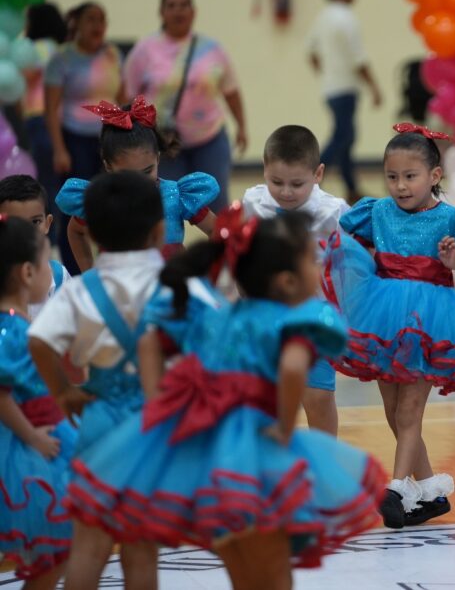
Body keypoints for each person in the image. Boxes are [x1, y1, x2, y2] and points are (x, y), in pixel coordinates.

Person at [63, 205, 386, 590]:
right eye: (310, 259)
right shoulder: (295, 317)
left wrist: (156, 399)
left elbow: (151, 342)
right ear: (286, 281)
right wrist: (284, 427)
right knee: (273, 574)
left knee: (240, 564)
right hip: (253, 459)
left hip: (204, 461)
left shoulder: (221, 316)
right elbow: (294, 368)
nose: (318, 266)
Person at [328, 122, 455, 530]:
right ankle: (431, 492)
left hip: (429, 320)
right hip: (383, 315)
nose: (400, 186)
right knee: (392, 410)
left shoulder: (452, 218)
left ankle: (396, 489)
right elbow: (351, 245)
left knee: (409, 410)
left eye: (410, 176)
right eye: (392, 177)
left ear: (434, 177)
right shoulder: (378, 211)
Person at [29, 171, 166, 590]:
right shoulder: (174, 285)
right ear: (159, 229)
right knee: (141, 549)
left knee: (89, 545)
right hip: (153, 424)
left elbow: (39, 341)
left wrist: (64, 392)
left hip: (99, 418)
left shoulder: (79, 289)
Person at [242, 124, 350, 435]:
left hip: (314, 317)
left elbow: (353, 262)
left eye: (297, 183)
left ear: (318, 174)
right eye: (276, 181)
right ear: (264, 169)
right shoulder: (253, 202)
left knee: (316, 396)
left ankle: (323, 457)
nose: (286, 192)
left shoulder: (335, 211)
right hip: (266, 316)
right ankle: (272, 464)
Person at [54, 96, 219, 271]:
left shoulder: (177, 195)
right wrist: (88, 271)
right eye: (127, 175)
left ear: (157, 157)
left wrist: (206, 274)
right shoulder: (99, 201)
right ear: (108, 166)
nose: (139, 183)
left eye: (147, 171)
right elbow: (75, 231)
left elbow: (216, 229)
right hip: (117, 292)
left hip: (168, 290)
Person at [0, 216, 76, 589]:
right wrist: (33, 437)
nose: (52, 270)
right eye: (48, 261)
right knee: (52, 555)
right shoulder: (12, 331)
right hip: (31, 449)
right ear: (28, 272)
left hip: (42, 434)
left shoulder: (15, 325)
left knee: (56, 554)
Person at [123, 0, 247, 211]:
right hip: (164, 142)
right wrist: (132, 135)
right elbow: (127, 96)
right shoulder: (145, 50)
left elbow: (230, 91)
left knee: (217, 203)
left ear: (193, 12)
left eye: (184, 5)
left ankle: (221, 246)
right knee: (165, 205)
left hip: (209, 138)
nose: (178, 11)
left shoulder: (212, 49)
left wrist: (242, 126)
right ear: (161, 13)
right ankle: (167, 247)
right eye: (171, 6)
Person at [43, 1, 123, 273]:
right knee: (75, 205)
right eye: (91, 19)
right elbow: (50, 109)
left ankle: (110, 262)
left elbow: (121, 97)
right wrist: (59, 148)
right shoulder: (62, 58)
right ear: (76, 24)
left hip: (109, 139)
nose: (98, 25)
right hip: (75, 139)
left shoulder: (112, 54)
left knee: (112, 202)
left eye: (102, 19)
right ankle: (75, 271)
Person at [307, 0, 383, 201]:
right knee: (343, 136)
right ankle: (310, 178)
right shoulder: (346, 18)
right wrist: (374, 87)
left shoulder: (322, 18)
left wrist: (327, 71)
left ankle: (351, 188)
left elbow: (311, 51)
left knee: (346, 138)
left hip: (330, 88)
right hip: (345, 88)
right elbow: (358, 58)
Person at [21, 2, 68, 247]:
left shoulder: (37, 48)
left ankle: (50, 239)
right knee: (56, 180)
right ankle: (60, 235)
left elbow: (26, 76)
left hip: (39, 116)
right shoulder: (60, 48)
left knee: (47, 180)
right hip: (58, 118)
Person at [0, 175, 71, 319]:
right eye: (16, 223)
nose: (27, 232)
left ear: (48, 223)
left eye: (35, 222)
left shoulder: (59, 276)